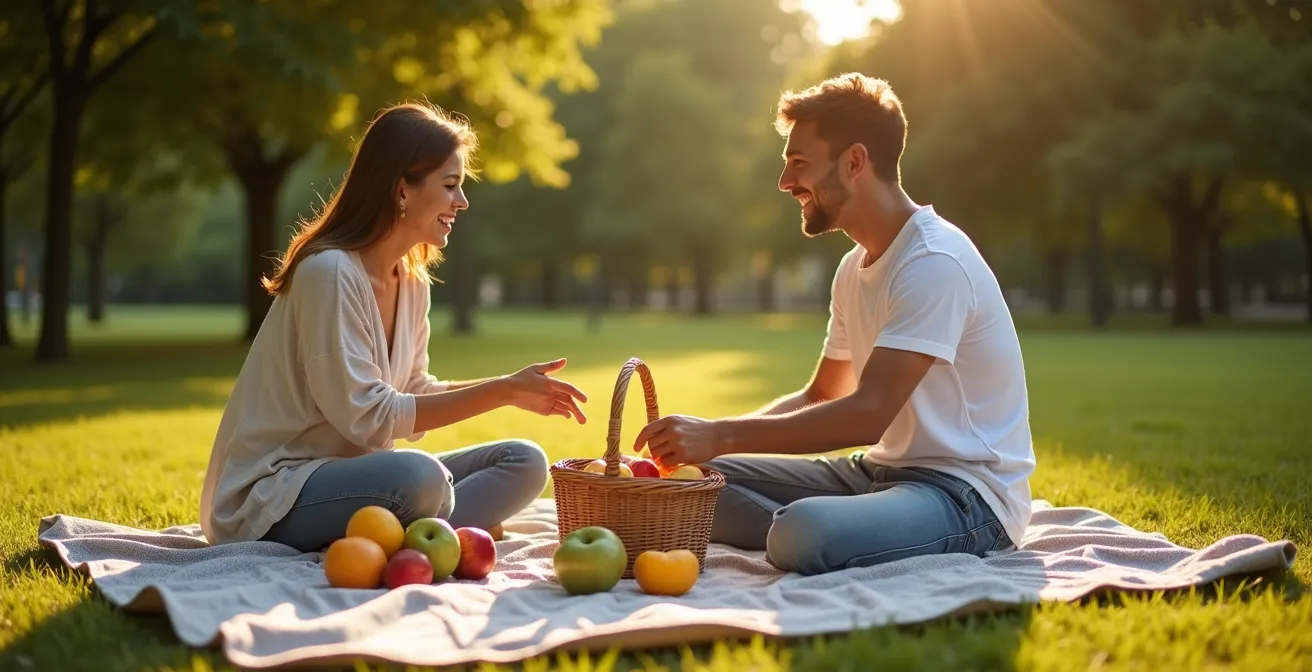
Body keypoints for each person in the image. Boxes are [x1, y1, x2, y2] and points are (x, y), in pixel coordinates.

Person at [633, 73, 1036, 575]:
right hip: (874, 474)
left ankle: (826, 525)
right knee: (694, 479)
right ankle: (850, 523)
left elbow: (868, 414)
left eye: (798, 163)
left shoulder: (934, 260)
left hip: (966, 495)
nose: (784, 182)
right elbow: (821, 394)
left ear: (854, 162)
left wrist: (720, 434)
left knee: (802, 533)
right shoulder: (854, 267)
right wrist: (704, 448)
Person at [199, 103, 589, 551]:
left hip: (361, 482)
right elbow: (370, 419)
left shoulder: (413, 279)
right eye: (450, 186)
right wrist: (500, 389)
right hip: (276, 494)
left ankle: (417, 534)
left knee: (524, 461)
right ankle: (426, 530)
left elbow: (414, 388)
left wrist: (513, 389)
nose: (461, 202)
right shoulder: (328, 274)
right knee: (418, 478)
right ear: (402, 189)